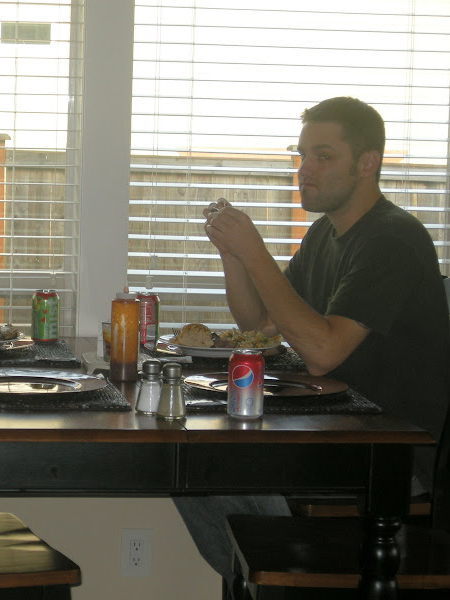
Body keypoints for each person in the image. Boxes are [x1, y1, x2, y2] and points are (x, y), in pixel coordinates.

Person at [174, 96, 450, 583]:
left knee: (206, 462)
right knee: (188, 456)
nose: (304, 169)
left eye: (323, 156)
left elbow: (322, 352)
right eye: (302, 155)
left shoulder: (392, 240)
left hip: (395, 453)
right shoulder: (324, 234)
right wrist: (232, 255)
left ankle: (285, 580)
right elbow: (260, 320)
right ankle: (263, 580)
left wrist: (255, 252)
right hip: (336, 426)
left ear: (368, 163)